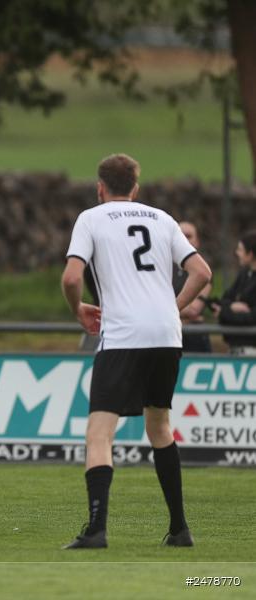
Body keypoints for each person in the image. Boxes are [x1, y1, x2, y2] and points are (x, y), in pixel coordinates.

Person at [61, 153, 211, 549]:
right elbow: (202, 273)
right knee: (159, 425)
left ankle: (96, 530)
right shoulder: (161, 218)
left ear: (100, 188)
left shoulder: (91, 219)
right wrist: (171, 309)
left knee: (99, 433)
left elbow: (72, 276)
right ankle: (179, 529)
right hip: (166, 335)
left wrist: (77, 310)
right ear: (136, 188)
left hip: (124, 335)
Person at [212, 230, 256, 355]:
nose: (237, 253)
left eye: (240, 250)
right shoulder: (243, 275)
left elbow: (252, 318)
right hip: (234, 348)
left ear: (251, 253)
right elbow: (224, 299)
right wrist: (232, 307)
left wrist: (224, 313)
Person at [173, 221, 211, 353]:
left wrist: (166, 310)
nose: (184, 239)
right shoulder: (163, 268)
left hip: (194, 339)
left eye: (188, 236)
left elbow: (194, 309)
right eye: (180, 235)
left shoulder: (202, 269)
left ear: (197, 241)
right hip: (170, 336)